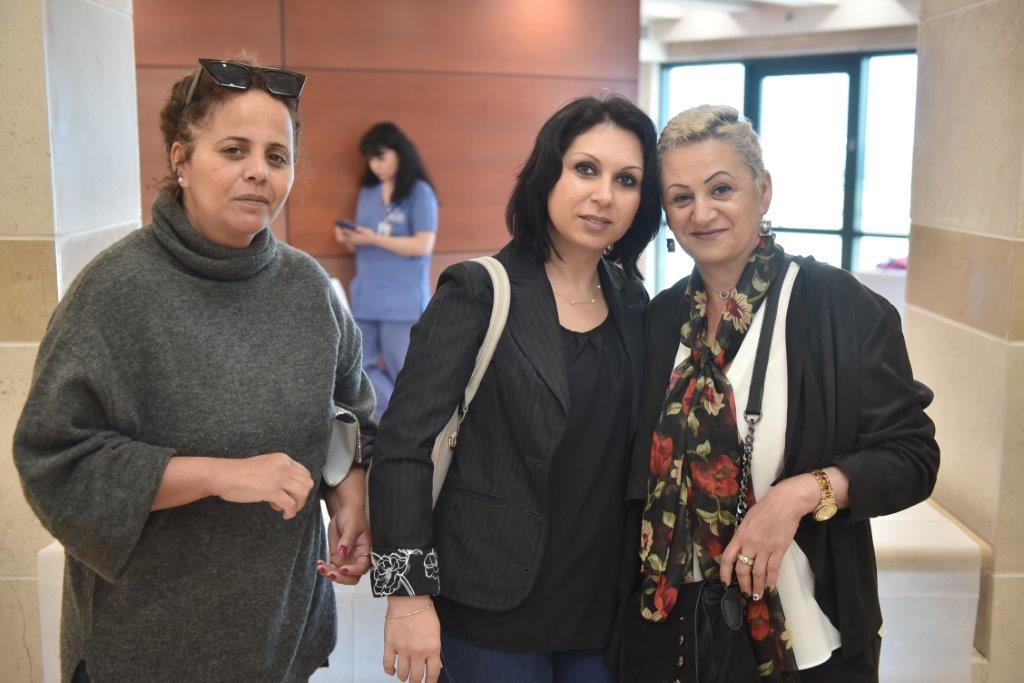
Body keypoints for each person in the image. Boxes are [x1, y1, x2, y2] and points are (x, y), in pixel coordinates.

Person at [13, 56, 376, 681]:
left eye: (277, 156)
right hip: (145, 647)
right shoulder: (116, 291)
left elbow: (350, 412)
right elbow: (55, 461)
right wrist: (217, 475)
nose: (258, 171)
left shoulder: (309, 290)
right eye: (234, 150)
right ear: (180, 158)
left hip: (280, 636)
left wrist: (350, 491)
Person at [622, 104, 940, 682]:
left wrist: (799, 495)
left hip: (808, 640)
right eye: (681, 197)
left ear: (763, 191)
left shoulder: (837, 306)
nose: (702, 212)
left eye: (722, 188)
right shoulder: (662, 318)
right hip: (674, 635)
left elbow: (913, 457)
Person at [367, 95, 662, 683]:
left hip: (602, 616)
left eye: (626, 180)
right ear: (547, 174)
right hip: (489, 613)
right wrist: (407, 597)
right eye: (585, 169)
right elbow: (403, 445)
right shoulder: (479, 290)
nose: (604, 194)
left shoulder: (634, 303)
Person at [335, 122, 439, 419]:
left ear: (400, 153)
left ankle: (408, 423)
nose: (375, 165)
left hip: (402, 301)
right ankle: (394, 419)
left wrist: (373, 239)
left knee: (405, 371)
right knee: (360, 369)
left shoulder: (419, 192)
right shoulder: (368, 192)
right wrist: (350, 238)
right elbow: (363, 243)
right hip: (367, 296)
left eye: (381, 157)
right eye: (370, 159)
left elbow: (423, 245)